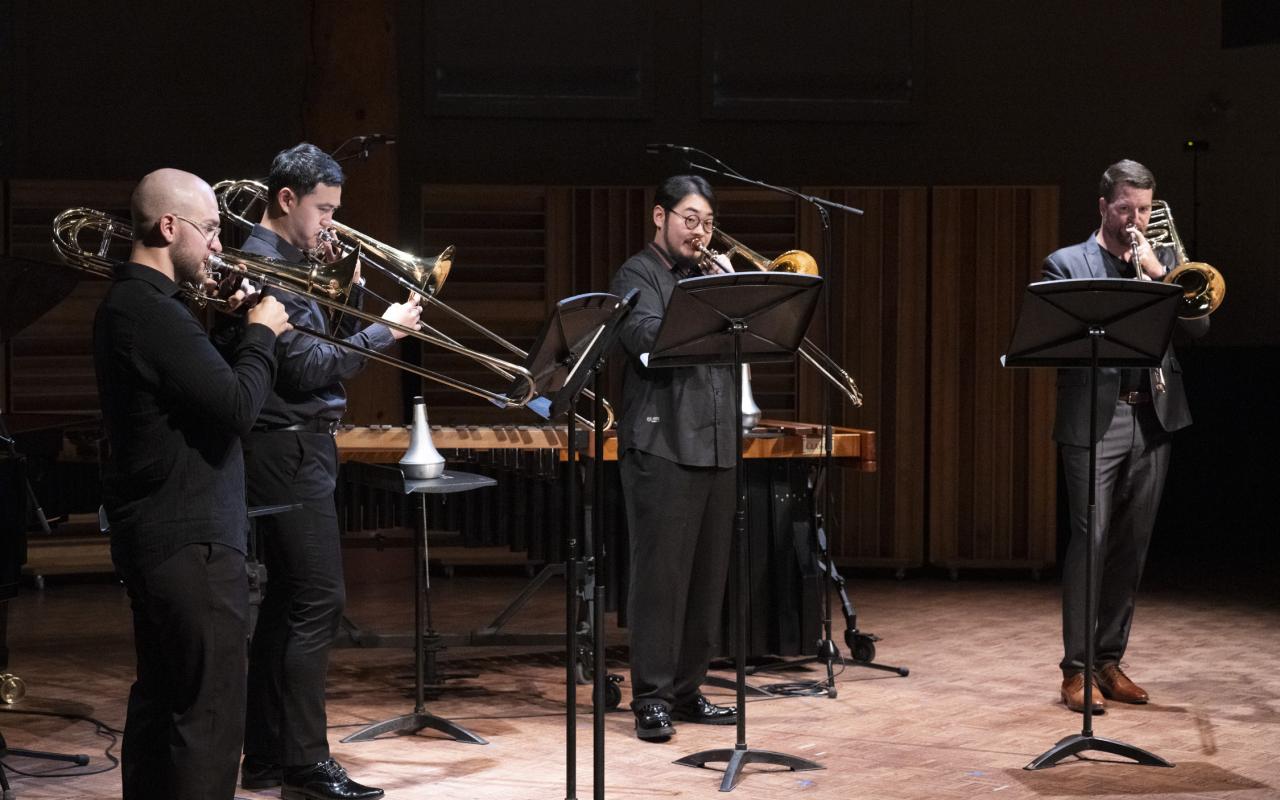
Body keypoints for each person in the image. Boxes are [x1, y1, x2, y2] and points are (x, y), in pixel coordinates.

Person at [94, 168, 292, 799]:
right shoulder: (150, 311)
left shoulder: (143, 308)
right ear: (169, 226)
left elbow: (203, 397)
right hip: (192, 541)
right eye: (209, 229)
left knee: (164, 705)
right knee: (207, 721)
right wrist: (264, 333)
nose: (217, 245)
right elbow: (237, 408)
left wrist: (236, 330)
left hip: (164, 535)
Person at [231, 143, 419, 800]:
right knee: (316, 602)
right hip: (285, 450)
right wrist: (384, 331)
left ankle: (267, 758)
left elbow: (323, 358)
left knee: (288, 606)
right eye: (324, 209)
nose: (331, 223)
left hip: (299, 447)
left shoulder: (291, 262)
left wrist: (356, 296)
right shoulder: (263, 263)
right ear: (287, 200)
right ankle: (305, 766)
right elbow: (307, 368)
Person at [1042, 159, 1209, 713]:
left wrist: (1161, 277)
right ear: (1103, 207)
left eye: (1143, 209)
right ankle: (1075, 671)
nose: (1134, 220)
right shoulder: (1067, 264)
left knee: (1131, 547)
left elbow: (1199, 326)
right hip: (1097, 418)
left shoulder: (1166, 263)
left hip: (1153, 417)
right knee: (1089, 541)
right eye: (1124, 210)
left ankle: (1108, 661)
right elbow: (1053, 345)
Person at [608, 175, 739, 741]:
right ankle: (653, 697)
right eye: (690, 218)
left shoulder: (705, 279)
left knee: (708, 579)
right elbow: (646, 343)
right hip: (661, 444)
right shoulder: (638, 274)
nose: (701, 231)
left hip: (716, 441)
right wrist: (713, 300)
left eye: (708, 222)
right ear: (660, 217)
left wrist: (738, 298)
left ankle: (688, 690)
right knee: (661, 578)